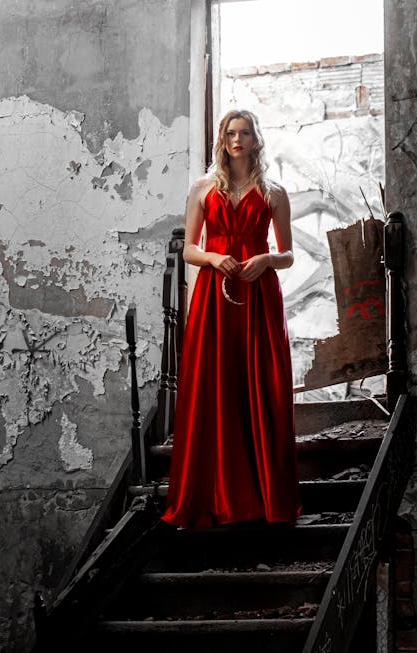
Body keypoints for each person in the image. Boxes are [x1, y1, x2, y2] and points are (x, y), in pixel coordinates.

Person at [162, 109, 299, 529]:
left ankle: (265, 498)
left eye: (244, 133)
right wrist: (213, 257)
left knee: (264, 387)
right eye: (230, 133)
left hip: (259, 295)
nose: (236, 139)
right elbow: (188, 250)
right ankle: (214, 495)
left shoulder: (274, 192)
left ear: (256, 140)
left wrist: (266, 259)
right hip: (213, 296)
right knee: (213, 386)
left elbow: (289, 254)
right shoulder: (203, 189)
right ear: (222, 140)